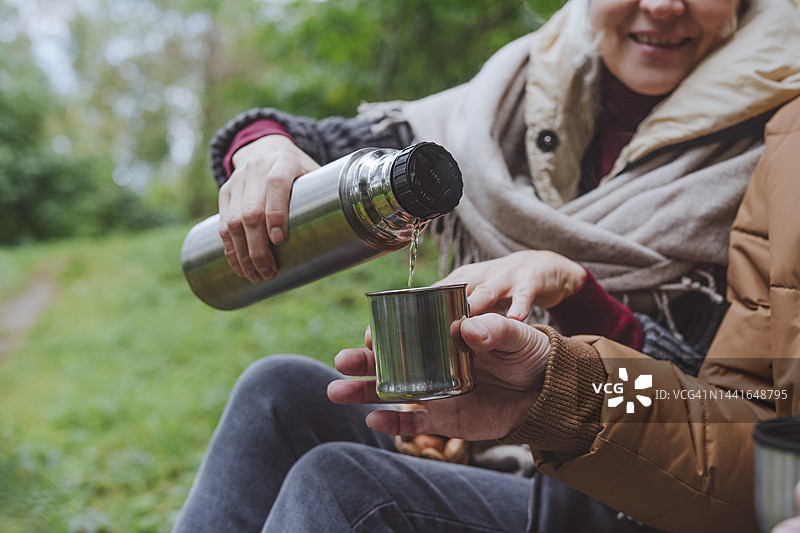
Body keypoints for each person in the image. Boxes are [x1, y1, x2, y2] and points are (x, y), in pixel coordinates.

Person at [171, 0, 800, 531]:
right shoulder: (520, 94)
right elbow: (337, 149)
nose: (663, 5)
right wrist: (265, 149)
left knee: (346, 483)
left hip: (624, 486)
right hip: (490, 432)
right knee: (277, 389)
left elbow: (723, 413)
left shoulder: (771, 145)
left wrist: (578, 292)